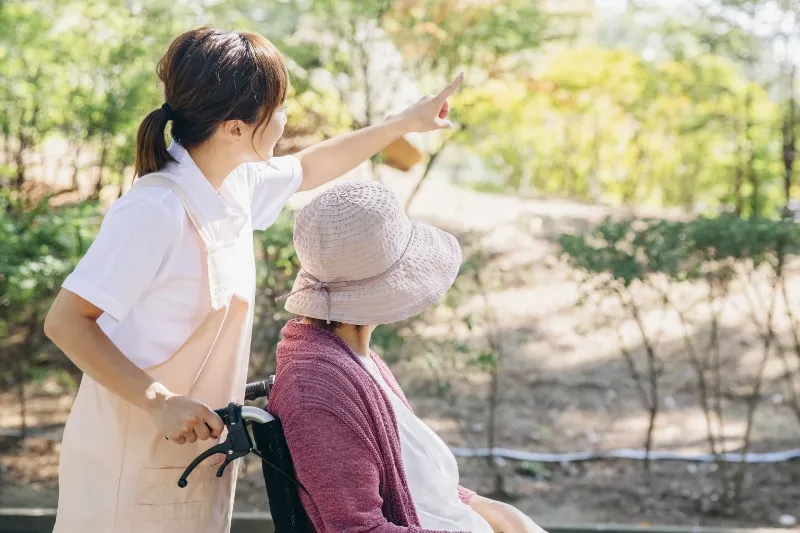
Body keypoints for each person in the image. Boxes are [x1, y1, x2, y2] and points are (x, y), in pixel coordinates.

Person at [44, 27, 464, 533]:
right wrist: (158, 401)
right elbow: (66, 321)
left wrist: (404, 123)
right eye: (278, 107)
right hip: (129, 458)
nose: (286, 118)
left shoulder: (234, 185)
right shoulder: (155, 210)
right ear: (235, 128)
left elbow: (311, 167)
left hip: (196, 458)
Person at [271, 180, 547, 533]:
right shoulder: (318, 387)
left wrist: (504, 516)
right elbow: (357, 530)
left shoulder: (353, 357)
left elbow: (422, 489)